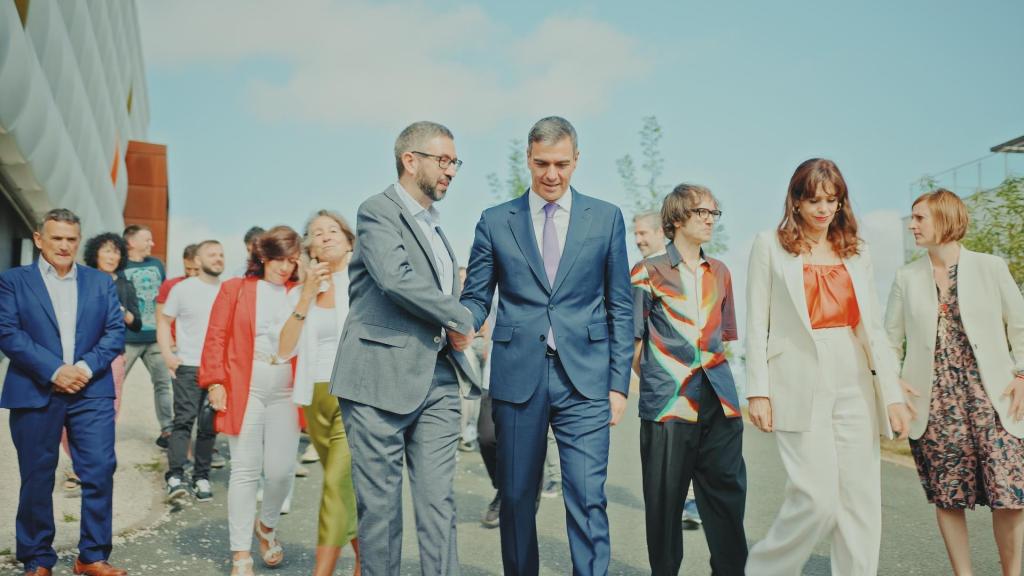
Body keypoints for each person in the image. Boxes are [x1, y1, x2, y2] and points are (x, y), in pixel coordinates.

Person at [460, 116, 633, 576]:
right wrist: (462, 325)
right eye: (541, 163)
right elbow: (477, 296)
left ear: (577, 160)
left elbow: (620, 306)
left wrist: (618, 384)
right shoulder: (496, 221)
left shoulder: (607, 217)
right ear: (528, 159)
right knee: (516, 497)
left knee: (587, 494)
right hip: (518, 376)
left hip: (587, 378)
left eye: (561, 164)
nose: (551, 174)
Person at [744, 158, 912, 575]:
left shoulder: (856, 250)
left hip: (854, 370)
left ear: (841, 203)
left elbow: (872, 326)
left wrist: (891, 393)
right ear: (796, 201)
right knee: (816, 498)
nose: (822, 208)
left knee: (860, 499)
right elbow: (755, 322)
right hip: (796, 375)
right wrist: (757, 390)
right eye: (813, 199)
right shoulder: (769, 244)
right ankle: (764, 570)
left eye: (831, 200)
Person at [331, 121, 479, 576]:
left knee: (439, 504)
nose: (451, 170)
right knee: (381, 509)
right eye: (443, 160)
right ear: (410, 160)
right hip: (377, 378)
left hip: (436, 378)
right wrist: (459, 316)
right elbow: (394, 278)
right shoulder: (377, 210)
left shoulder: (436, 227)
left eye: (455, 161)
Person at [885, 188, 1024, 576]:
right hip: (934, 400)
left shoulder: (990, 267)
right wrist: (893, 383)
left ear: (946, 220)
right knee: (949, 495)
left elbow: (1020, 324)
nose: (912, 225)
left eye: (919, 218)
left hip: (993, 396)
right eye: (912, 218)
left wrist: (1023, 374)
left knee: (1010, 492)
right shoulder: (906, 277)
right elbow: (888, 340)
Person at [0, 209, 127, 576]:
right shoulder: (12, 281)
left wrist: (83, 369)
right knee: (37, 475)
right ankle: (38, 558)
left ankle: (92, 556)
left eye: (71, 239)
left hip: (91, 389)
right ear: (39, 239)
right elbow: (9, 333)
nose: (64, 245)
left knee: (100, 468)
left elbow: (114, 333)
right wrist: (55, 370)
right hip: (35, 388)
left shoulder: (100, 283)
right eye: (56, 238)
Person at [631, 185, 746, 575]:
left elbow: (724, 339)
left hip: (720, 399)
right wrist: (660, 382)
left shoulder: (722, 273)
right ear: (677, 218)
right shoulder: (647, 272)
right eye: (702, 212)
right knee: (664, 505)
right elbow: (633, 343)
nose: (710, 219)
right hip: (669, 405)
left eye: (715, 213)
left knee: (727, 501)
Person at [200, 226, 303, 576]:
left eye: (291, 261)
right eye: (278, 259)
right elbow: (216, 336)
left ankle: (267, 526)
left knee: (280, 471)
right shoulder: (235, 289)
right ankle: (240, 552)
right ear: (262, 256)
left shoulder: (300, 293)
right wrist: (215, 381)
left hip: (287, 388)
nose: (284, 267)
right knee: (244, 470)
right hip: (247, 384)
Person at [277, 210, 360, 576]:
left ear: (349, 240)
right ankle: (365, 563)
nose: (324, 236)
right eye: (316, 232)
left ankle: (321, 572)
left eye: (332, 230)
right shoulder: (299, 292)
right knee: (343, 490)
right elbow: (284, 349)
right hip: (314, 396)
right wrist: (307, 295)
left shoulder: (363, 282)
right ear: (308, 245)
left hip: (354, 395)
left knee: (333, 485)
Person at [633, 209, 701, 528]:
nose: (638, 239)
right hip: (663, 384)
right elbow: (633, 334)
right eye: (636, 234)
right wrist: (650, 374)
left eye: (643, 233)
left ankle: (690, 500)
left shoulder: (696, 269)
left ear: (662, 232)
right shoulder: (644, 271)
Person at [157, 240, 225, 505]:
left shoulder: (228, 290)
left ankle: (201, 476)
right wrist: (167, 354)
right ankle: (174, 476)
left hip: (217, 369)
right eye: (212, 254)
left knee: (209, 426)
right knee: (183, 420)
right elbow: (164, 321)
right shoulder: (182, 289)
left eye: (221, 254)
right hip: (188, 365)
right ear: (196, 260)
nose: (218, 258)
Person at [121, 224, 173, 448]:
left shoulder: (156, 264)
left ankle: (168, 431)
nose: (152, 243)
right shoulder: (120, 266)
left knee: (163, 384)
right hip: (127, 339)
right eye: (147, 239)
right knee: (113, 385)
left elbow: (166, 298)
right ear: (131, 242)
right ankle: (100, 428)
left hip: (155, 338)